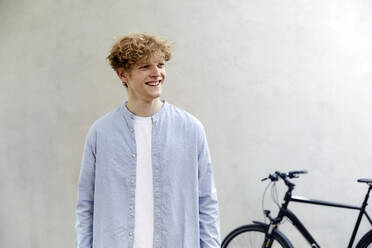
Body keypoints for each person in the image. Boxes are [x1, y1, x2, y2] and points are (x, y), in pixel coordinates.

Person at [75, 33, 220, 248]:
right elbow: (86, 205)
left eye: (160, 65)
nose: (157, 73)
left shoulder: (191, 129)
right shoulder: (101, 132)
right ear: (122, 75)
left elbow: (207, 203)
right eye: (145, 67)